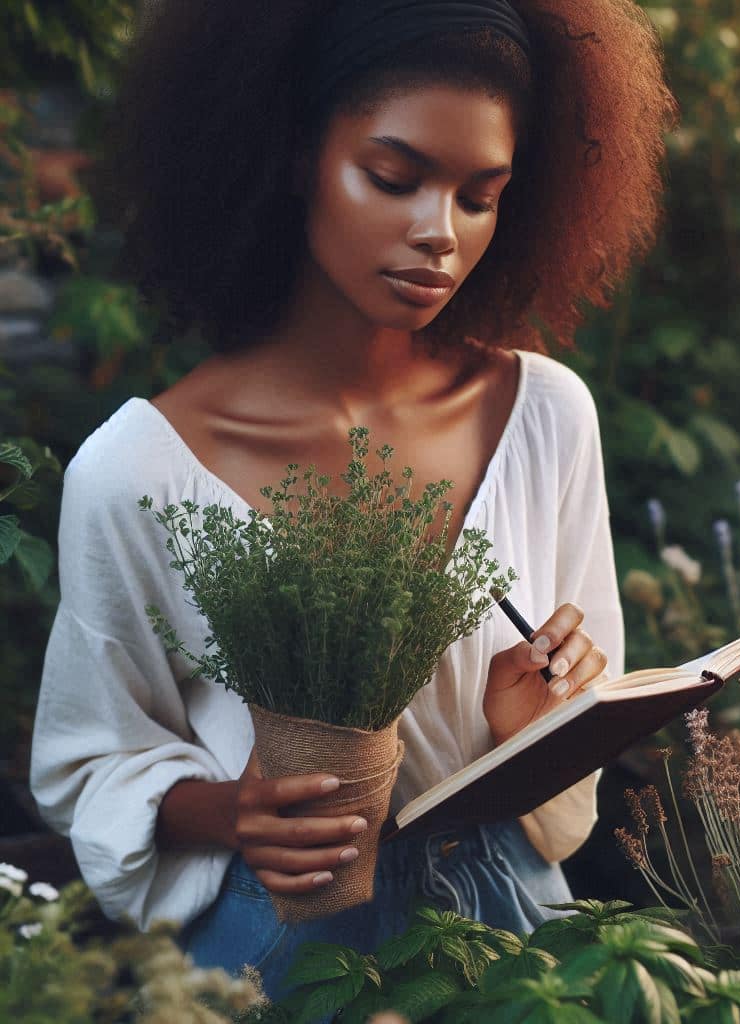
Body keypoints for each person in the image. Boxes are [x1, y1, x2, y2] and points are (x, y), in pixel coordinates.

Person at [30, 0, 675, 1001]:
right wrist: (241, 811)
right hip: (279, 953)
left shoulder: (543, 415)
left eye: (480, 194)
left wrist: (536, 724)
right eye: (393, 176)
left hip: (517, 952)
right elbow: (94, 760)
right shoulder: (136, 471)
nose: (439, 234)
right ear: (294, 155)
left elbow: (570, 768)